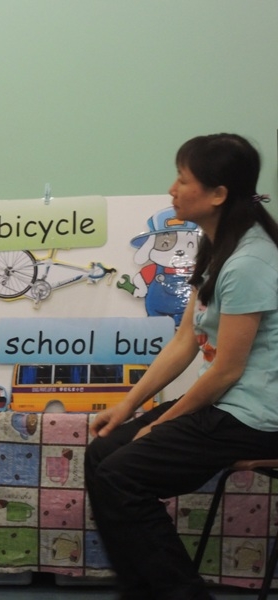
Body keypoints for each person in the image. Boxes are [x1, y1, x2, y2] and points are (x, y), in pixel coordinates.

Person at [84, 133, 278, 600]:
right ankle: (143, 590)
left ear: (218, 194)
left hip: (256, 418)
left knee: (121, 475)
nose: (172, 189)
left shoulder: (249, 261)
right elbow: (184, 341)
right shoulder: (217, 249)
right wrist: (128, 406)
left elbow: (227, 371)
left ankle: (182, 595)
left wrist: (163, 422)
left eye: (183, 179)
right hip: (229, 406)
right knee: (102, 453)